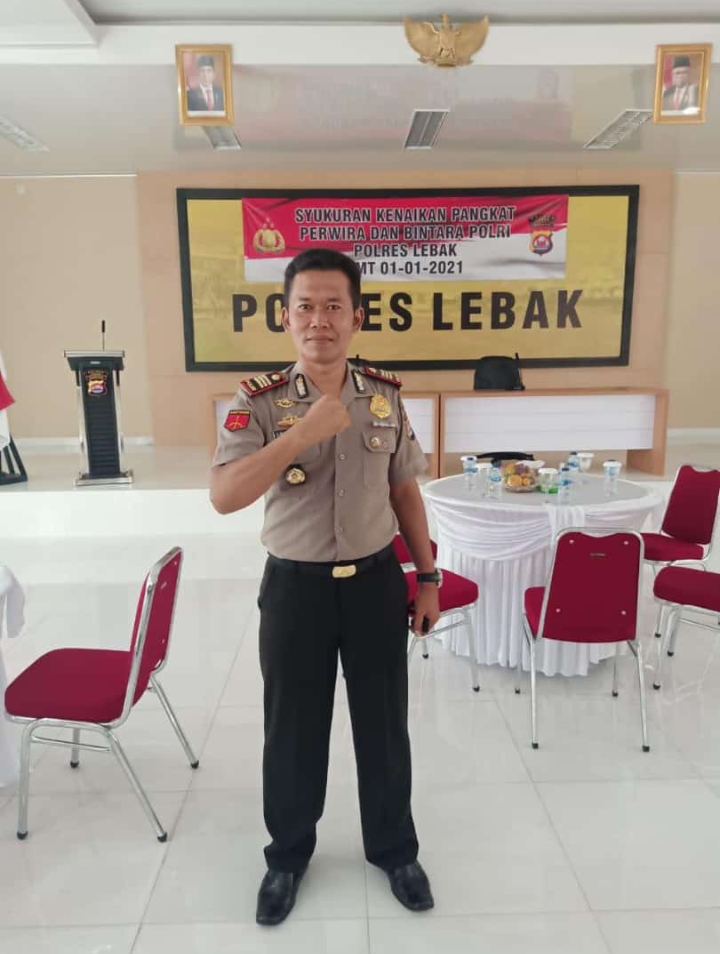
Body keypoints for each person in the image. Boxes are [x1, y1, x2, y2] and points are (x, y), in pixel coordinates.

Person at [210, 248, 440, 926]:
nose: (320, 320)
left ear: (356, 316)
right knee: (292, 732)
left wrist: (426, 576)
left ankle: (394, 851)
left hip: (374, 585)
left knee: (384, 727)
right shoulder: (256, 403)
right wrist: (299, 435)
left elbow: (404, 491)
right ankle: (287, 858)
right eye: (305, 306)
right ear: (285, 318)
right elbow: (224, 496)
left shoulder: (385, 396)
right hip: (295, 592)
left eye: (334, 306)